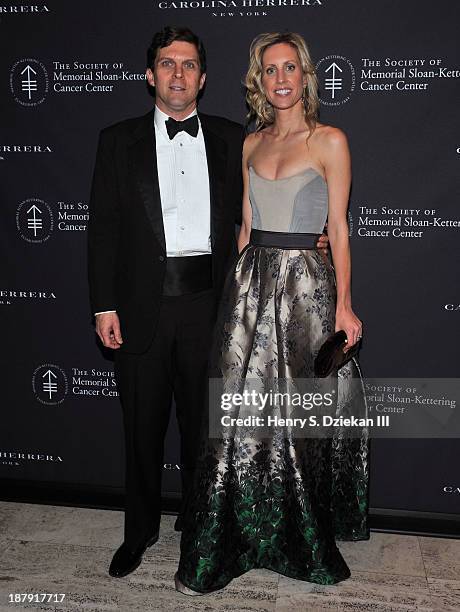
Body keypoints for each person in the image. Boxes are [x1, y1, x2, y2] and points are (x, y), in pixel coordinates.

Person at [87, 25, 332, 579]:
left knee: (209, 434)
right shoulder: (116, 140)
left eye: (189, 64)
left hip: (216, 307)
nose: (179, 74)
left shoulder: (231, 139)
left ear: (203, 76)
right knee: (141, 431)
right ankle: (140, 531)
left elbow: (267, 207)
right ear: (150, 75)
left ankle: (201, 527)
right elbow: (101, 230)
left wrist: (310, 234)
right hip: (140, 308)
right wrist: (104, 306)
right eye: (168, 64)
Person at [175, 31, 369, 595]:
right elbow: (243, 225)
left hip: (305, 286)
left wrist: (346, 305)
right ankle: (226, 538)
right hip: (250, 283)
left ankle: (300, 535)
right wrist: (231, 298)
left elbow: (338, 229)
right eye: (269, 70)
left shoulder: (330, 141)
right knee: (236, 416)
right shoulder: (249, 143)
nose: (280, 78)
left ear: (306, 76)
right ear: (258, 81)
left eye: (290, 68)